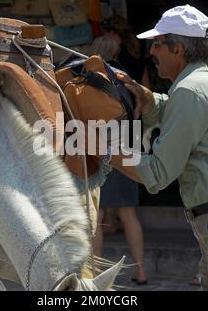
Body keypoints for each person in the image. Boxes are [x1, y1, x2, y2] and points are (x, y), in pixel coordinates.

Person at [99, 5, 208, 290]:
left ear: (177, 49)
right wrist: (152, 100)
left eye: (156, 44)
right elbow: (187, 114)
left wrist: (106, 150)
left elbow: (157, 172)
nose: (151, 52)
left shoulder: (191, 91)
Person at [90, 36, 148, 285]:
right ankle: (141, 271)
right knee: (128, 213)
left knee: (97, 214)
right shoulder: (128, 79)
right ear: (117, 49)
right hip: (128, 144)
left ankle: (95, 275)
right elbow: (144, 107)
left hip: (100, 145)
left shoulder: (90, 77)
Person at [101, 15, 151, 88]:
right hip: (137, 97)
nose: (103, 38)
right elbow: (146, 86)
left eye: (104, 34)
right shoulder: (136, 53)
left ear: (111, 32)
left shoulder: (114, 56)